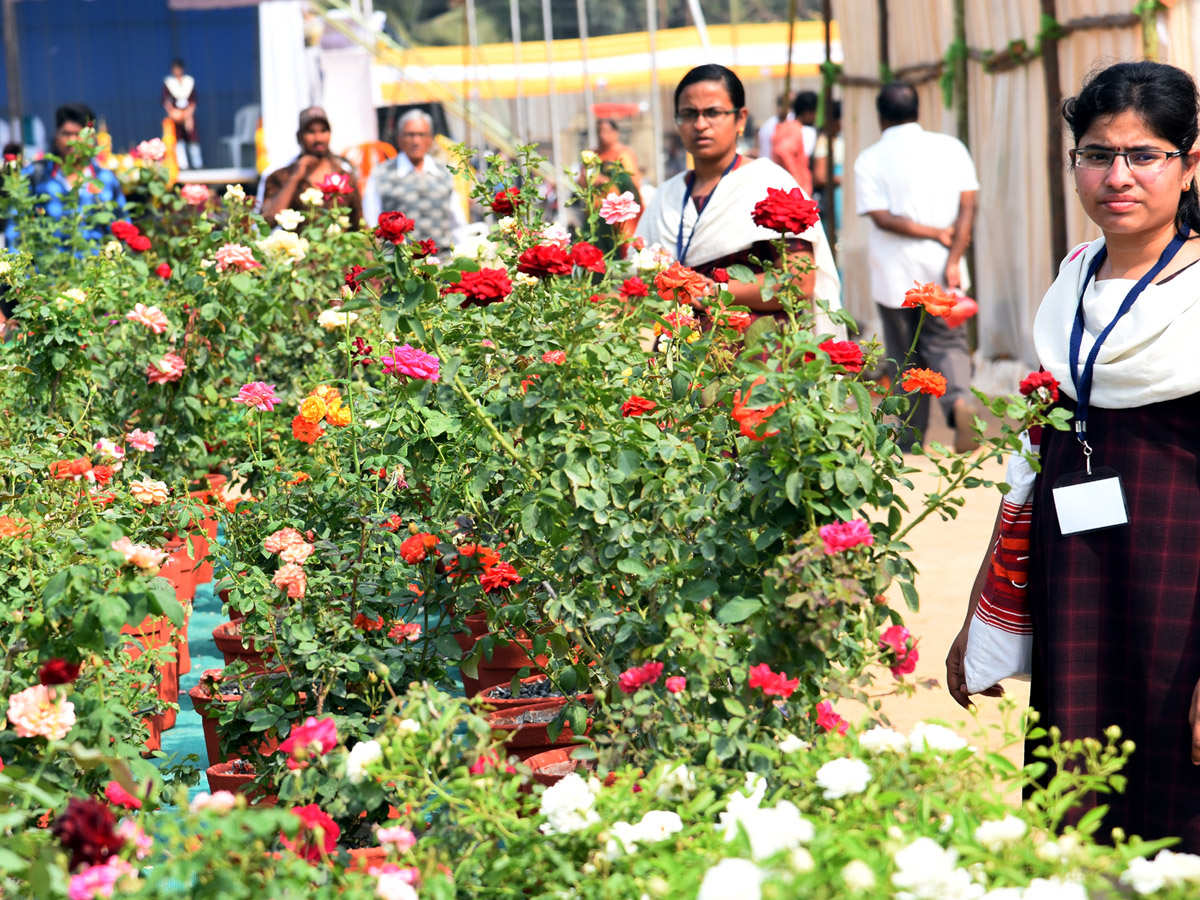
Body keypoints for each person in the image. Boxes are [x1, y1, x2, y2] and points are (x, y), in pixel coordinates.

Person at [946, 60, 1200, 850]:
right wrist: (983, 607)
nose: (1117, 176)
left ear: (1191, 164)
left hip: (1180, 593)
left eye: (1145, 154)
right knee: (1079, 802)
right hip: (1079, 579)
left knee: (1176, 804)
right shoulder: (1071, 284)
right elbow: (1031, 459)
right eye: (1096, 154)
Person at [636, 64, 842, 337]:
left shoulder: (768, 184)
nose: (700, 124)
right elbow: (635, 276)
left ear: (740, 119)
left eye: (713, 112)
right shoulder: (667, 195)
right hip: (676, 357)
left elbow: (799, 282)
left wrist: (714, 292)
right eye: (688, 114)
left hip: (755, 360)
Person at [854, 81, 980, 452]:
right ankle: (958, 402)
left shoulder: (870, 158)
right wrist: (955, 255)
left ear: (880, 117)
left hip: (895, 275)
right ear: (918, 110)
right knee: (948, 343)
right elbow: (968, 205)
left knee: (905, 355)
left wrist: (932, 232)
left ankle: (910, 440)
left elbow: (881, 217)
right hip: (945, 269)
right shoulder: (950, 147)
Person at [4, 102, 126, 251]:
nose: (72, 141)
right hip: (50, 270)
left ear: (92, 138)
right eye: (66, 134)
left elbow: (124, 229)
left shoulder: (105, 180)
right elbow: (15, 231)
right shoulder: (36, 175)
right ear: (56, 135)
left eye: (79, 134)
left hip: (97, 270)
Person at [361, 109, 466, 251]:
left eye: (421, 135)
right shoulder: (382, 174)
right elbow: (371, 222)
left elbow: (458, 223)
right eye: (410, 135)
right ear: (399, 138)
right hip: (400, 264)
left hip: (441, 262)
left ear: (430, 139)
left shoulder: (444, 172)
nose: (416, 141)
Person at [261, 106, 362, 228]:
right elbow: (267, 222)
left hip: (338, 246)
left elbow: (359, 224)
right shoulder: (281, 176)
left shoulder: (344, 178)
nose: (318, 138)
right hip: (297, 247)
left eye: (324, 131)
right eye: (311, 132)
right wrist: (295, 178)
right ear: (299, 136)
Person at [770, 90, 818, 195]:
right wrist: (797, 181)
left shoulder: (787, 126)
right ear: (807, 112)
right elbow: (782, 150)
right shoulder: (796, 130)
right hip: (796, 193)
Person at [812, 99, 843, 238]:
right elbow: (819, 177)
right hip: (832, 200)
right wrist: (841, 179)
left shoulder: (839, 139)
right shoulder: (825, 142)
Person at [162, 58, 201, 169]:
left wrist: (188, 114)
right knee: (178, 140)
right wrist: (173, 112)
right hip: (176, 115)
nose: (176, 71)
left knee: (193, 139)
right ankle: (183, 165)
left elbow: (193, 100)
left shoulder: (189, 81)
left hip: (188, 114)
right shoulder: (169, 83)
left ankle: (197, 163)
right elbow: (165, 100)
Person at [594, 118, 642, 189]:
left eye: (605, 131)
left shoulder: (624, 154)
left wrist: (606, 181)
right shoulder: (593, 155)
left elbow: (634, 180)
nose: (602, 135)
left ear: (616, 132)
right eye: (599, 131)